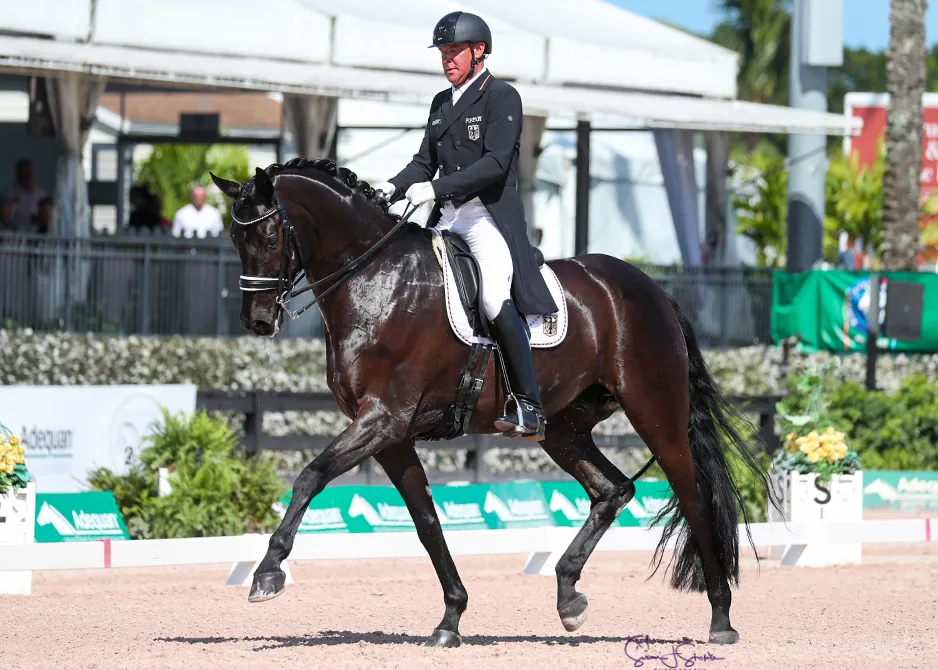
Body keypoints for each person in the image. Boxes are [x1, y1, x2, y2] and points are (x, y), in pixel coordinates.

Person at [372, 11, 557, 442]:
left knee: (493, 297)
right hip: (447, 217)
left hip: (484, 216)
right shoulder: (442, 103)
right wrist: (392, 188)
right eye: (443, 52)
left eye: (454, 51)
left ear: (479, 52)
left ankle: (529, 406)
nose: (447, 60)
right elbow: (423, 162)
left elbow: (494, 164)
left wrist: (434, 189)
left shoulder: (502, 97)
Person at [3, 159, 48, 231]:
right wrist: (29, 219)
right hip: (14, 233)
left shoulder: (41, 193)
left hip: (36, 233)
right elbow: (6, 217)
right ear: (18, 174)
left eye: (30, 172)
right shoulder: (10, 192)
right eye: (25, 173)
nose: (28, 176)